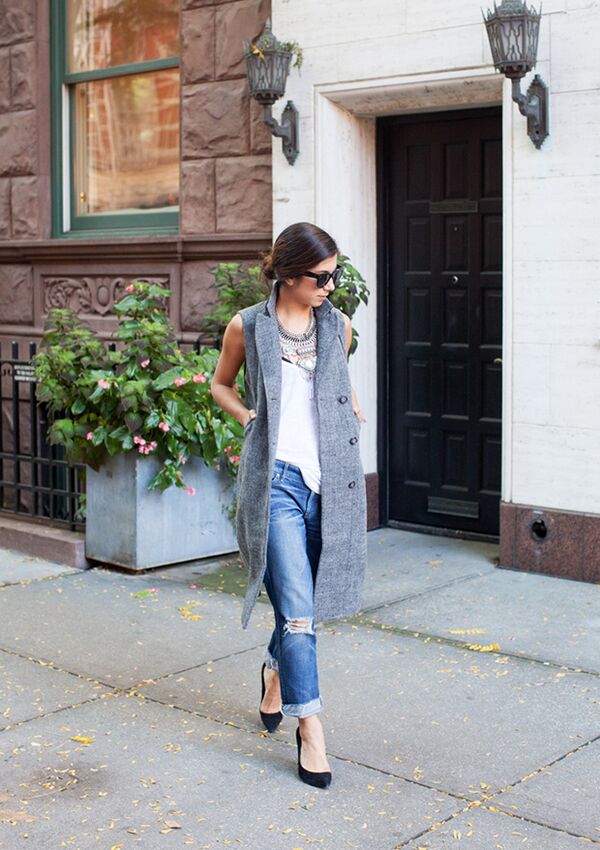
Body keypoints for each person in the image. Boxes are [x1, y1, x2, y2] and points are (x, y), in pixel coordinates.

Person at [210, 221, 367, 788]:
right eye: (321, 277)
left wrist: (351, 404)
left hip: (331, 482)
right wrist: (248, 417)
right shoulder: (248, 326)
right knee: (298, 611)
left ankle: (276, 670)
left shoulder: (338, 325)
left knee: (310, 602)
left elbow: (335, 385)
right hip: (276, 481)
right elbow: (220, 385)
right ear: (289, 274)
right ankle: (311, 731)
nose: (331, 286)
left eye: (334, 275)